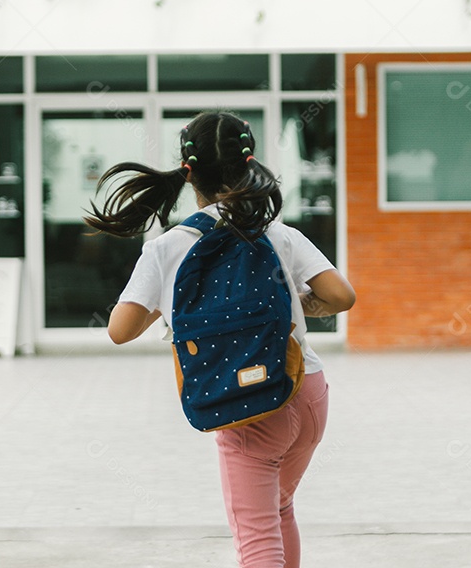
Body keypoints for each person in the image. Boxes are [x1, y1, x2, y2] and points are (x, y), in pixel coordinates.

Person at [85, 111, 355, 568]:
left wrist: (169, 301)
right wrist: (301, 303)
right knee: (280, 507)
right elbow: (341, 296)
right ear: (248, 163)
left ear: (188, 172)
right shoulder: (278, 233)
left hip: (246, 406)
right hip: (306, 392)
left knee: (256, 542)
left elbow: (119, 330)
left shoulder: (169, 247)